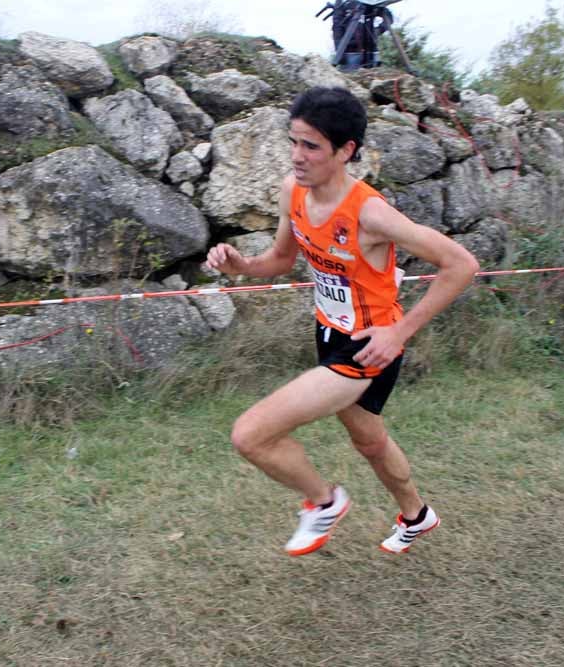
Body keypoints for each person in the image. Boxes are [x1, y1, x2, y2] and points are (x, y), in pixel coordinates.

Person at [205, 86, 479, 555]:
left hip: (370, 345)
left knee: (250, 435)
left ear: (345, 150)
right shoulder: (294, 190)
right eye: (293, 141)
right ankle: (416, 515)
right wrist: (241, 266)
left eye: (310, 145)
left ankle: (323, 502)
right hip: (329, 331)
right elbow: (279, 258)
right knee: (369, 442)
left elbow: (462, 264)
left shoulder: (371, 214)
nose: (297, 156)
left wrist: (400, 331)